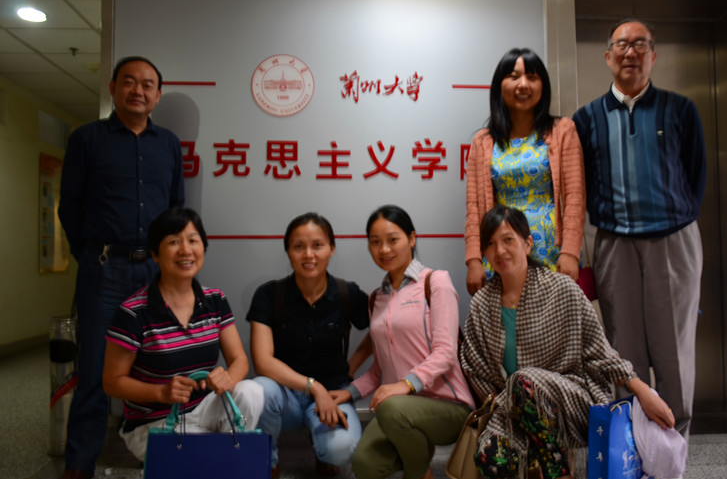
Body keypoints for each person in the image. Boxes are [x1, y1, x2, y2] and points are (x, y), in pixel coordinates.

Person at [460, 206, 675, 479]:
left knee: (523, 383)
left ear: (527, 243)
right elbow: (474, 366)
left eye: (508, 240)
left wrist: (642, 391)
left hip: (571, 399)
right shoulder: (481, 304)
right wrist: (506, 406)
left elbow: (601, 353)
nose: (499, 250)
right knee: (491, 458)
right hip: (508, 408)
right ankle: (539, 454)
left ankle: (559, 472)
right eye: (490, 244)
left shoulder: (562, 289)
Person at [572, 18, 706, 437]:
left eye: (640, 44)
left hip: (673, 240)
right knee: (623, 352)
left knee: (674, 351)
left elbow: (696, 174)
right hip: (615, 244)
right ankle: (629, 453)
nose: (630, 52)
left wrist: (673, 216)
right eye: (622, 45)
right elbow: (582, 183)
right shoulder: (586, 118)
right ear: (607, 56)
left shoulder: (680, 109)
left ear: (653, 55)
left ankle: (673, 452)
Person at [58, 56, 184, 479]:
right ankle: (80, 464)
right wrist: (90, 254)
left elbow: (176, 209)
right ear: (113, 88)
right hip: (104, 269)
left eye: (147, 85)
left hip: (154, 272)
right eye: (129, 82)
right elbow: (70, 207)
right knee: (95, 370)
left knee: (160, 364)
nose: (138, 91)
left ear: (157, 95)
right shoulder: (87, 139)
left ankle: (162, 454)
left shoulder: (168, 144)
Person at [102, 207, 263, 461]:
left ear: (203, 248)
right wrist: (161, 393)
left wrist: (227, 378)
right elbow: (112, 382)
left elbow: (239, 360)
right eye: (173, 242)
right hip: (156, 421)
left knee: (252, 391)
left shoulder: (215, 300)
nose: (186, 250)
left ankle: (219, 458)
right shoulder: (133, 313)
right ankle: (221, 458)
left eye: (193, 240)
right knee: (209, 456)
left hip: (204, 408)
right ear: (155, 254)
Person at [331, 205, 475, 479]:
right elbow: (380, 368)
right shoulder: (376, 298)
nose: (384, 249)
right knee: (365, 465)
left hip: (448, 405)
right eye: (375, 242)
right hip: (398, 409)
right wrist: (350, 392)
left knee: (390, 408)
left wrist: (406, 384)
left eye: (392, 239)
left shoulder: (436, 281)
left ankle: (419, 474)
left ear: (411, 238)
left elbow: (446, 353)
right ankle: (416, 449)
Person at [247, 213, 370, 477]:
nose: (309, 255)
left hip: (333, 393)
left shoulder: (347, 293)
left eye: (318, 245)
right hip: (285, 396)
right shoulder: (269, 294)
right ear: (288, 251)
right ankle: (268, 463)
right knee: (258, 390)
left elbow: (382, 328)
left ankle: (324, 453)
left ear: (331, 248)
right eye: (299, 246)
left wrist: (351, 368)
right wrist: (314, 387)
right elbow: (263, 361)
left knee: (342, 449)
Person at [465, 47, 585, 296]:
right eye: (514, 76)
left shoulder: (563, 130)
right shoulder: (483, 141)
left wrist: (571, 252)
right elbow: (474, 208)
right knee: (507, 317)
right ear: (499, 86)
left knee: (551, 317)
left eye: (532, 77)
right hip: (501, 252)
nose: (523, 85)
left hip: (551, 250)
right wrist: (474, 260)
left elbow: (575, 197)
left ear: (543, 85)